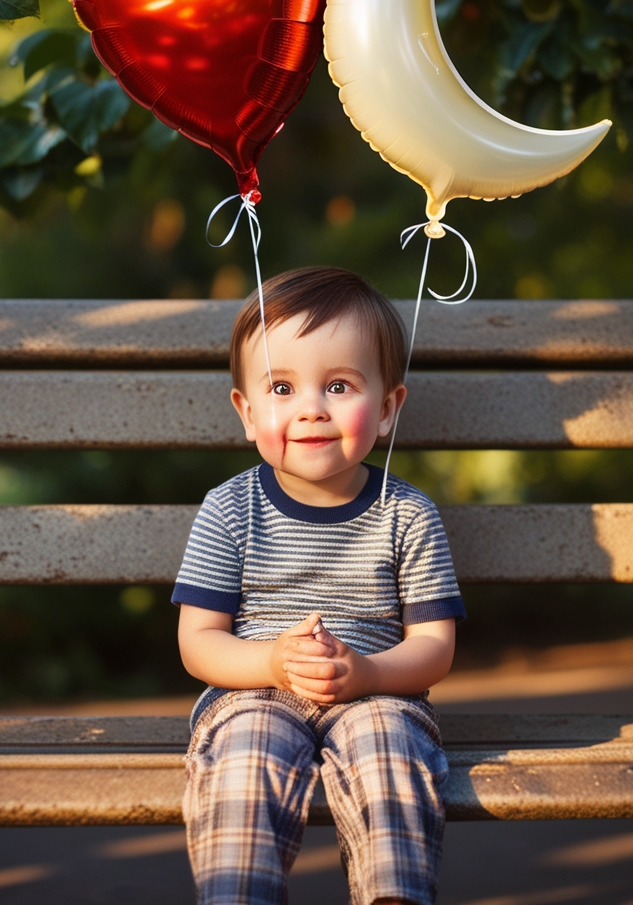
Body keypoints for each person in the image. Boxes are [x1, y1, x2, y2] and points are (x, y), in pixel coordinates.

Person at [172, 265, 465, 905]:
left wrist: (366, 674)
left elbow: (434, 647)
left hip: (376, 692)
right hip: (255, 691)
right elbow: (199, 641)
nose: (310, 408)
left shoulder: (406, 513)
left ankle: (394, 894)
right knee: (246, 752)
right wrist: (272, 660)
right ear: (246, 414)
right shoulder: (229, 509)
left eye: (338, 385)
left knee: (389, 746)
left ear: (386, 409)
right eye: (282, 387)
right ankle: (238, 893)